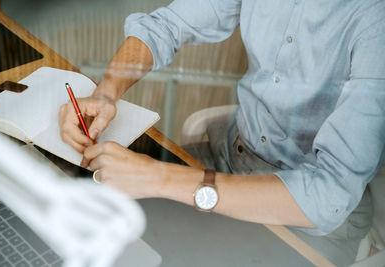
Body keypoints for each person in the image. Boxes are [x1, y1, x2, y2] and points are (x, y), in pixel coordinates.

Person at [58, 0, 385, 265]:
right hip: (229, 157)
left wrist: (159, 177)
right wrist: (107, 90)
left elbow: (329, 195)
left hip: (311, 223)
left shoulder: (376, 22)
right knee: (93, 223)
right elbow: (167, 25)